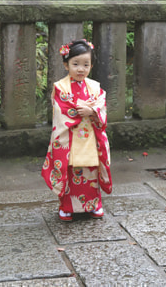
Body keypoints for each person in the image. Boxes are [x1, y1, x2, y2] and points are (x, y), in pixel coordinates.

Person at [42, 39, 112, 222]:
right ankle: (67, 206)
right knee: (70, 171)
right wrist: (83, 109)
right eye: (75, 64)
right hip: (70, 138)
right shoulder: (60, 87)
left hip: (90, 138)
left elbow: (101, 106)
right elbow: (61, 109)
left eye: (85, 65)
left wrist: (93, 110)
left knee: (91, 171)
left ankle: (94, 204)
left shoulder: (95, 87)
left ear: (91, 66)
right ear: (66, 64)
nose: (81, 69)